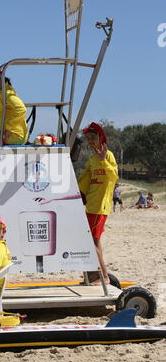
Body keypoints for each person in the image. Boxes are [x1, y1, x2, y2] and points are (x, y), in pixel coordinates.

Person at [78, 122, 118, 285]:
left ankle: (104, 277)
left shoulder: (107, 155)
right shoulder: (92, 159)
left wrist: (104, 161)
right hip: (91, 206)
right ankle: (92, 276)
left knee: (92, 241)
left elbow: (113, 177)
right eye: (88, 138)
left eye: (93, 138)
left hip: (100, 207)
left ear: (101, 138)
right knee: (92, 241)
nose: (90, 141)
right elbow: (84, 180)